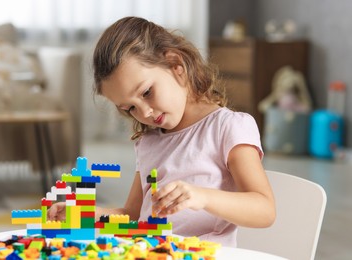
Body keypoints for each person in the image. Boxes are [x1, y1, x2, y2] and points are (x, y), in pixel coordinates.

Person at [48, 16, 275, 247]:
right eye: (131, 108)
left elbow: (265, 210)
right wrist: (85, 216)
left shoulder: (228, 127)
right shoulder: (148, 142)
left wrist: (203, 197)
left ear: (176, 65)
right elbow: (133, 216)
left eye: (146, 92)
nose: (145, 112)